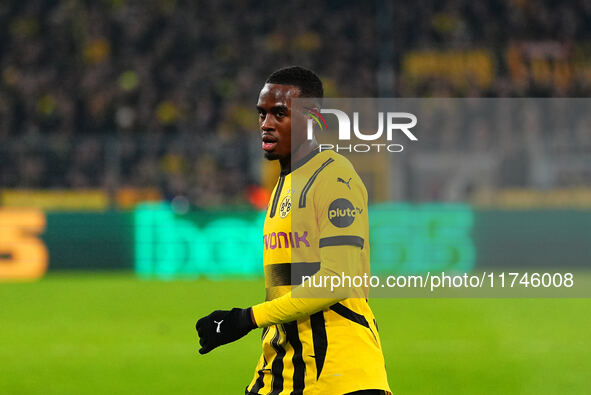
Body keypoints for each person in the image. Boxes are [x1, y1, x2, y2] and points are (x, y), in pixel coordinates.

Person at [196, 66, 391, 395]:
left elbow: (337, 279)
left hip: (338, 377)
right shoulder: (282, 187)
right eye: (262, 114)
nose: (266, 124)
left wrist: (246, 318)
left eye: (279, 114)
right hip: (284, 372)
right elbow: (288, 291)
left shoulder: (334, 177)